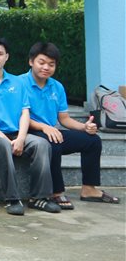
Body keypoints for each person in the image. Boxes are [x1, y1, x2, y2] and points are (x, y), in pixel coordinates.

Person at [0, 37, 58, 215]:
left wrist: (21, 138)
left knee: (41, 144)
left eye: (0, 53)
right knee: (2, 144)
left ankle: (39, 198)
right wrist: (3, 137)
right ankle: (12, 199)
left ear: (7, 56)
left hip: (16, 132)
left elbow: (25, 112)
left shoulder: (18, 82)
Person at [24, 41, 119, 207]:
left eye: (51, 64)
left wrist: (84, 127)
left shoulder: (57, 87)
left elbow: (64, 119)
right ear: (31, 61)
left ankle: (89, 189)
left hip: (51, 132)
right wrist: (44, 127)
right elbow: (17, 117)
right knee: (53, 143)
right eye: (42, 62)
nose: (46, 67)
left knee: (92, 141)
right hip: (28, 132)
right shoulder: (19, 84)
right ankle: (56, 192)